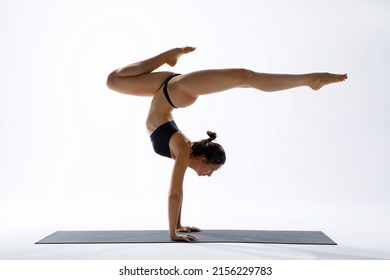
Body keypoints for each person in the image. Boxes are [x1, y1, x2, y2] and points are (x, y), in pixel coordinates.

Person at [106, 47, 347, 242]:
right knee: (243, 77)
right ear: (202, 159)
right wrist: (174, 230)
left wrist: (176, 229)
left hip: (169, 90)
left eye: (212, 171)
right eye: (213, 170)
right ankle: (311, 80)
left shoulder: (182, 148)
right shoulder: (183, 147)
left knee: (114, 80)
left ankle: (311, 80)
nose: (209, 175)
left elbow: (175, 193)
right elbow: (175, 193)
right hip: (173, 90)